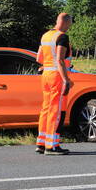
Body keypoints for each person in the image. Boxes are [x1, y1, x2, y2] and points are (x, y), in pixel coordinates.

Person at [36, 12, 73, 155]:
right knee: (56, 111)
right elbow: (60, 59)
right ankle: (51, 146)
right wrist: (66, 79)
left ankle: (41, 143)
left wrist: (48, 65)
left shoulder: (45, 36)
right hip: (57, 76)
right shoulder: (62, 37)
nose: (70, 26)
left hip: (46, 75)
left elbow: (39, 58)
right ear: (66, 22)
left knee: (46, 109)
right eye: (70, 23)